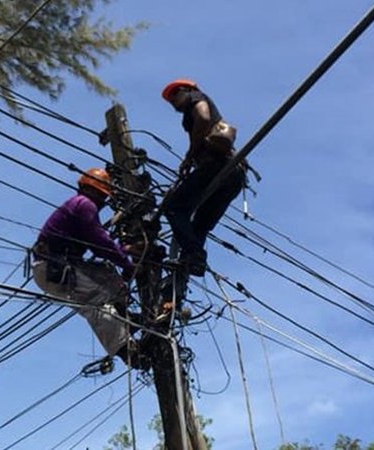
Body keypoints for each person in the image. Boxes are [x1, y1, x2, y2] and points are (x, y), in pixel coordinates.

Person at [32, 168, 146, 369]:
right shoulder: (85, 205)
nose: (103, 202)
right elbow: (100, 243)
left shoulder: (79, 205)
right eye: (103, 196)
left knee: (108, 277)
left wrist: (125, 251)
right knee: (96, 301)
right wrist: (127, 264)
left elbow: (100, 242)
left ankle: (123, 317)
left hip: (63, 265)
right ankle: (126, 351)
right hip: (52, 268)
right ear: (92, 190)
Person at [161, 79, 246, 276]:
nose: (173, 102)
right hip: (234, 176)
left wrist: (191, 153)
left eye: (175, 95)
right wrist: (189, 160)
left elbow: (203, 117)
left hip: (218, 166)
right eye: (170, 100)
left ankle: (194, 254)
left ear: (188, 90)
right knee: (199, 225)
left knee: (174, 208)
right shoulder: (191, 111)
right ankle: (192, 261)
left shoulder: (196, 98)